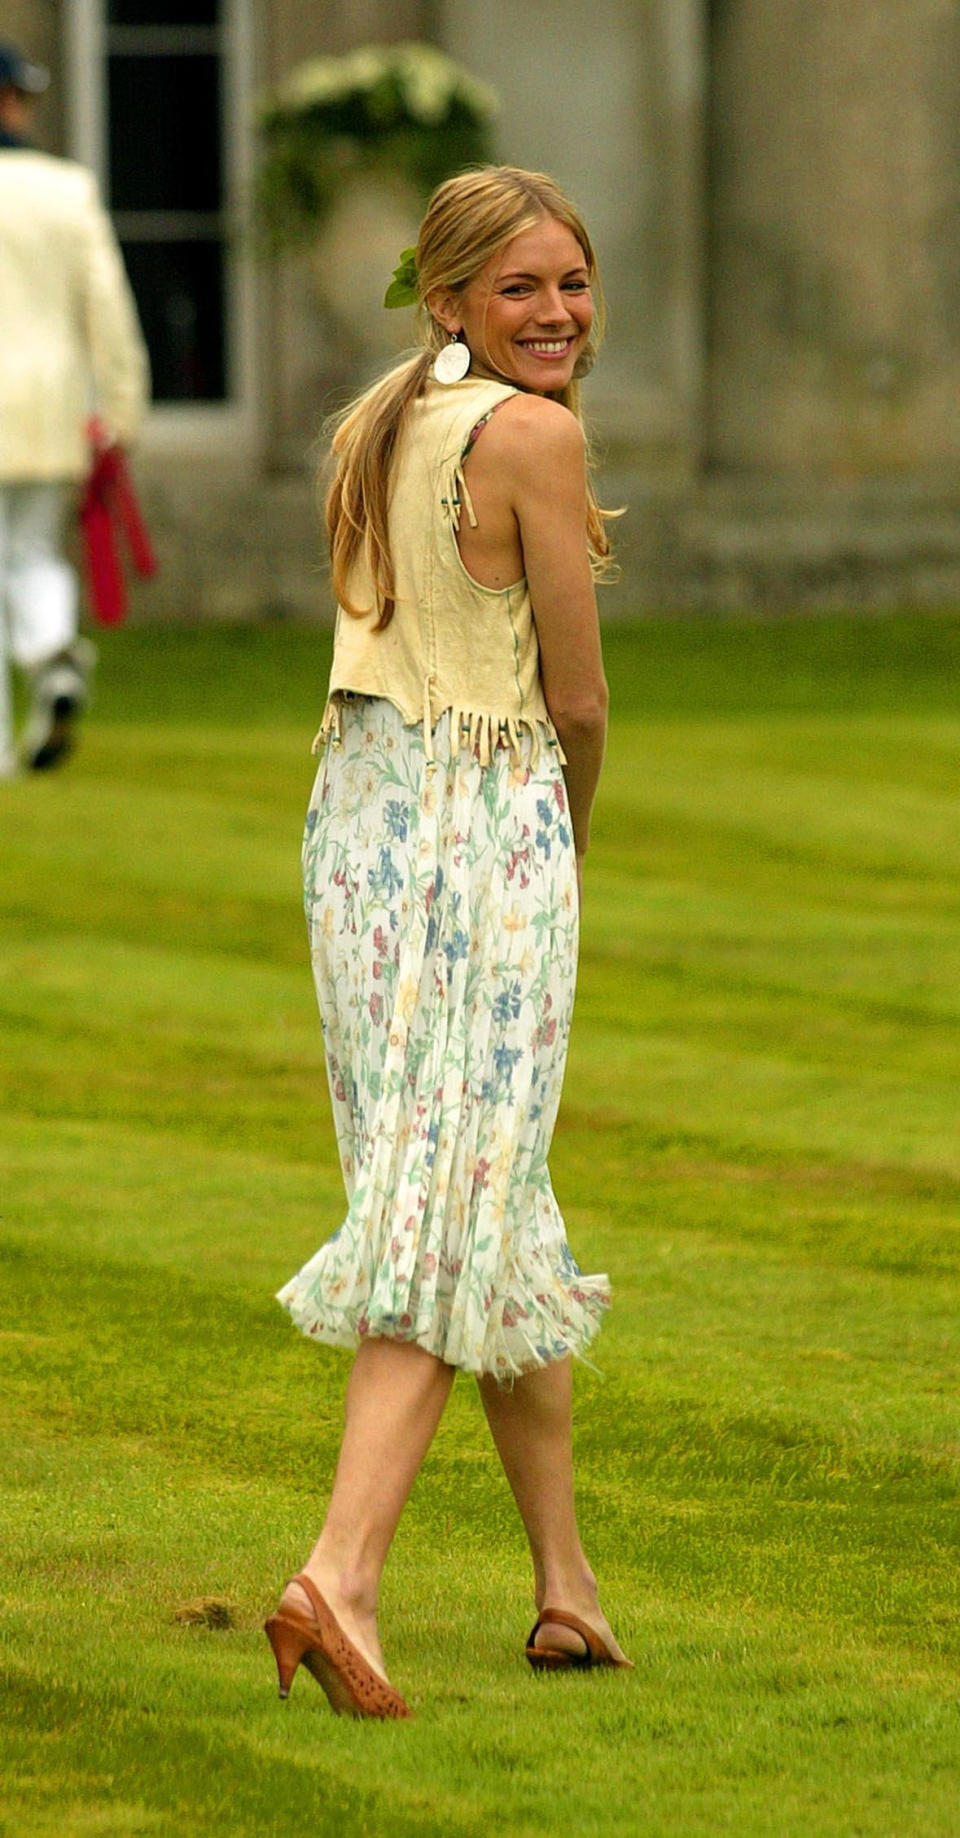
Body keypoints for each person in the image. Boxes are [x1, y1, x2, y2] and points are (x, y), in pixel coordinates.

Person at [264, 165, 631, 1719]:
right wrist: (570, 835)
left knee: (483, 1192)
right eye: (521, 288)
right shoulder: (534, 436)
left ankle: (565, 1585)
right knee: (446, 1204)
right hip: (480, 827)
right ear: (451, 299)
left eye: (572, 282)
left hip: (357, 821)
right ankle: (338, 1578)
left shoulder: (380, 419)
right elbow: (580, 700)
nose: (555, 313)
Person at [0, 40, 149, 778]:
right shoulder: (66, 190)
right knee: (28, 552)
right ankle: (52, 655)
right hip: (45, 414)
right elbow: (109, 312)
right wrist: (121, 410)